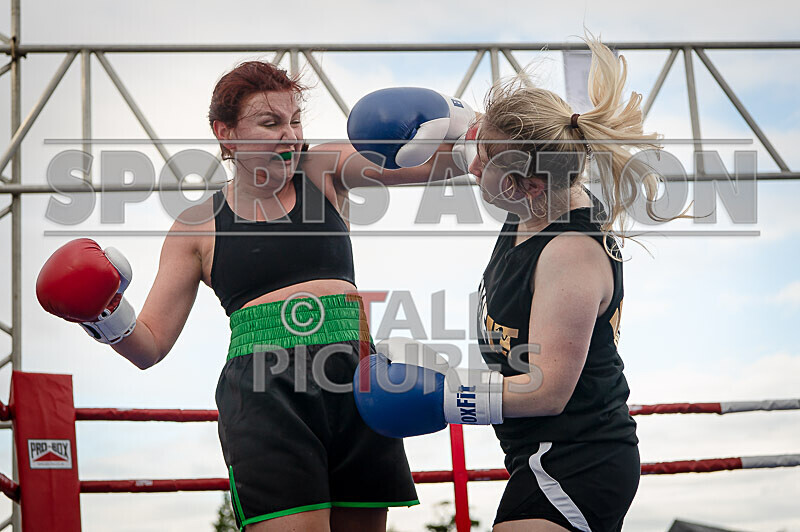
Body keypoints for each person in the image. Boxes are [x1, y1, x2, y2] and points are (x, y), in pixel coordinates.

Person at [36, 61, 476, 531]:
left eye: (295, 121)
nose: (290, 137)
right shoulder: (195, 227)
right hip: (265, 393)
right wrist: (102, 313)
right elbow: (149, 346)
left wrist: (459, 124)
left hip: (353, 376)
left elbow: (439, 167)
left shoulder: (324, 168)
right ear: (225, 133)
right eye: (270, 123)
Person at [352, 36, 666, 531]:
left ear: (529, 184)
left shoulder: (570, 254)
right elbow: (492, 140)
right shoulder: (537, 190)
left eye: (484, 163)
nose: (470, 166)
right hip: (535, 456)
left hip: (579, 459)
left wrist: (446, 399)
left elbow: (547, 392)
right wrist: (450, 118)